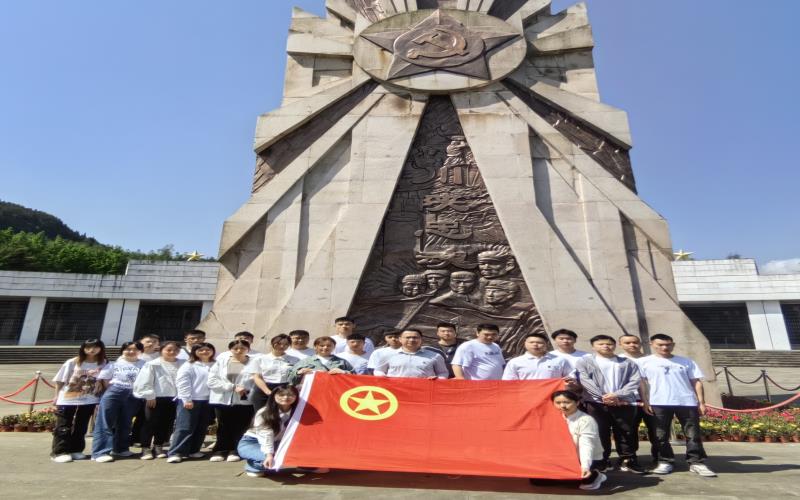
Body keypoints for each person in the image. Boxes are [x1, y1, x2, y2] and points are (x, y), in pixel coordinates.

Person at [639, 334, 716, 477]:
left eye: (668, 344)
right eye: (660, 345)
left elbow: (696, 382)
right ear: (652, 345)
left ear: (673, 345)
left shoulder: (686, 361)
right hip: (658, 402)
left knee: (693, 434)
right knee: (660, 435)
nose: (664, 347)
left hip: (686, 402)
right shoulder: (643, 362)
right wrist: (645, 401)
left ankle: (696, 462)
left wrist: (701, 402)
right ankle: (665, 461)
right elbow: (641, 383)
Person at [575, 335, 645, 474]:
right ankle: (602, 460)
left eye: (609, 344)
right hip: (596, 403)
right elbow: (585, 381)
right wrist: (603, 397)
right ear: (593, 346)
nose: (605, 346)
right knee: (600, 432)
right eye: (601, 344)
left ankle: (628, 460)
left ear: (615, 345)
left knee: (626, 432)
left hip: (623, 402)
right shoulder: (584, 361)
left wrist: (617, 395)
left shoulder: (627, 362)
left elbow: (634, 381)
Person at [50, 339, 108, 463]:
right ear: (83, 349)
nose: (92, 350)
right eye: (88, 347)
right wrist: (56, 396)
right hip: (68, 398)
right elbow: (60, 380)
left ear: (101, 348)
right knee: (63, 425)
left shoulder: (103, 363)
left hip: (89, 399)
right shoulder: (73, 362)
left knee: (81, 426)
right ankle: (59, 452)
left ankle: (76, 450)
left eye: (95, 347)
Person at [91, 341, 144, 463]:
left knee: (125, 422)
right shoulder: (113, 364)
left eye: (135, 349)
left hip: (134, 394)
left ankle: (120, 448)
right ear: (122, 351)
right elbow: (105, 381)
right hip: (115, 392)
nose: (131, 351)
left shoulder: (145, 364)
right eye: (127, 349)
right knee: (105, 422)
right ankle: (100, 452)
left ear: (140, 351)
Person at [207, 339, 258, 462]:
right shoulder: (221, 362)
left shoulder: (255, 362)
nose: (239, 351)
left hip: (245, 400)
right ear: (230, 350)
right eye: (236, 348)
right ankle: (220, 450)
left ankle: (236, 450)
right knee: (223, 425)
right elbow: (212, 381)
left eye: (243, 348)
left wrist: (248, 390)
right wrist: (232, 387)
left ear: (248, 349)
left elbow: (258, 380)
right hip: (223, 399)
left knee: (241, 426)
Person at [133, 341, 184, 460]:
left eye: (176, 350)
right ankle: (145, 447)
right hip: (156, 398)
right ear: (161, 350)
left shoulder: (183, 363)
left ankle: (158, 445)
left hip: (175, 398)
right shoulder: (153, 364)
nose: (172, 352)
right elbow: (144, 380)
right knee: (149, 422)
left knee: (166, 423)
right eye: (169, 350)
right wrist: (149, 395)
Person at [547, 390, 607, 490]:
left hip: (585, 457)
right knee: (538, 480)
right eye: (558, 403)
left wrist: (585, 466)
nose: (562, 406)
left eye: (567, 402)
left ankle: (597, 475)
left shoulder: (586, 420)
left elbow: (586, 445)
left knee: (585, 480)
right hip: (563, 456)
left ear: (577, 402)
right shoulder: (554, 418)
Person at [167, 342, 216, 463]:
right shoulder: (189, 365)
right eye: (201, 350)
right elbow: (183, 382)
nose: (205, 352)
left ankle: (194, 450)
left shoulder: (216, 364)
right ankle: (176, 452)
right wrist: (186, 399)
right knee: (185, 427)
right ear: (195, 352)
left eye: (208, 349)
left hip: (208, 400)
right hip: (191, 399)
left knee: (201, 427)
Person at [618, 334, 659, 465]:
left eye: (635, 342)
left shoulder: (652, 359)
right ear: (620, 344)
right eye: (627, 343)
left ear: (640, 343)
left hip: (653, 400)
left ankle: (660, 457)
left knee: (657, 431)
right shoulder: (618, 360)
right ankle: (629, 458)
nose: (632, 345)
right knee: (628, 431)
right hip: (628, 401)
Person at [373, 329, 448, 379]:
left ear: (421, 339)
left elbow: (443, 373)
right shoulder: (388, 355)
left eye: (415, 337)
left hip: (424, 390)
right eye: (408, 337)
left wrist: (438, 379)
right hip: (396, 390)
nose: (411, 340)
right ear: (400, 339)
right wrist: (383, 377)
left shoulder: (435, 356)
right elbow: (378, 371)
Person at [251, 334, 299, 411]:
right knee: (263, 414)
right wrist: (267, 391)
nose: (282, 346)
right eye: (279, 343)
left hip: (285, 389)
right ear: (272, 343)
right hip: (264, 389)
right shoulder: (260, 359)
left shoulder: (295, 360)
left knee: (283, 414)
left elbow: (297, 375)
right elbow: (257, 377)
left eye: (286, 344)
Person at [502, 333, 573, 381]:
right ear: (525, 344)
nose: (535, 345)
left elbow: (570, 377)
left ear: (546, 344)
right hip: (526, 396)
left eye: (539, 343)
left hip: (553, 396)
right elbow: (509, 382)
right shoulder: (515, 362)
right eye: (531, 342)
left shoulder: (559, 360)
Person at [288, 336, 354, 386]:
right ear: (315, 347)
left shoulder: (342, 362)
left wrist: (343, 372)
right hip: (312, 392)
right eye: (322, 346)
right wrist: (299, 373)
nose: (325, 348)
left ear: (334, 347)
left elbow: (355, 378)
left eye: (329, 346)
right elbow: (290, 379)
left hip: (334, 392)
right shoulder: (305, 362)